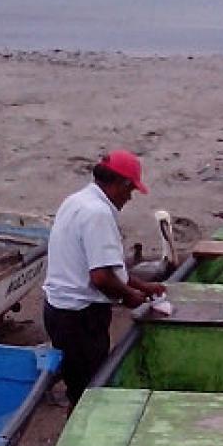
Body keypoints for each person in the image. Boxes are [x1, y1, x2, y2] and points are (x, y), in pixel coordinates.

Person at [43, 150, 166, 410]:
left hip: (57, 310)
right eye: (130, 190)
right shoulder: (98, 213)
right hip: (79, 318)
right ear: (121, 184)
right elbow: (100, 277)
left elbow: (107, 268)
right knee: (89, 397)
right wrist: (129, 296)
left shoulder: (76, 201)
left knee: (80, 386)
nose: (129, 198)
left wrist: (141, 286)